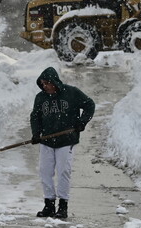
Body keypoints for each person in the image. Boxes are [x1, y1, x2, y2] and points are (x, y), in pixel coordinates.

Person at [30, 66, 95, 219]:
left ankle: (63, 206)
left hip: (66, 141)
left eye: (47, 83)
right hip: (47, 141)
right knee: (45, 172)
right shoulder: (40, 98)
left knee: (63, 171)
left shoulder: (71, 93)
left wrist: (82, 122)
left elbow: (89, 105)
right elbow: (35, 116)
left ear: (54, 82)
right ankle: (49, 204)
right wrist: (35, 133)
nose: (44, 86)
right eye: (42, 83)